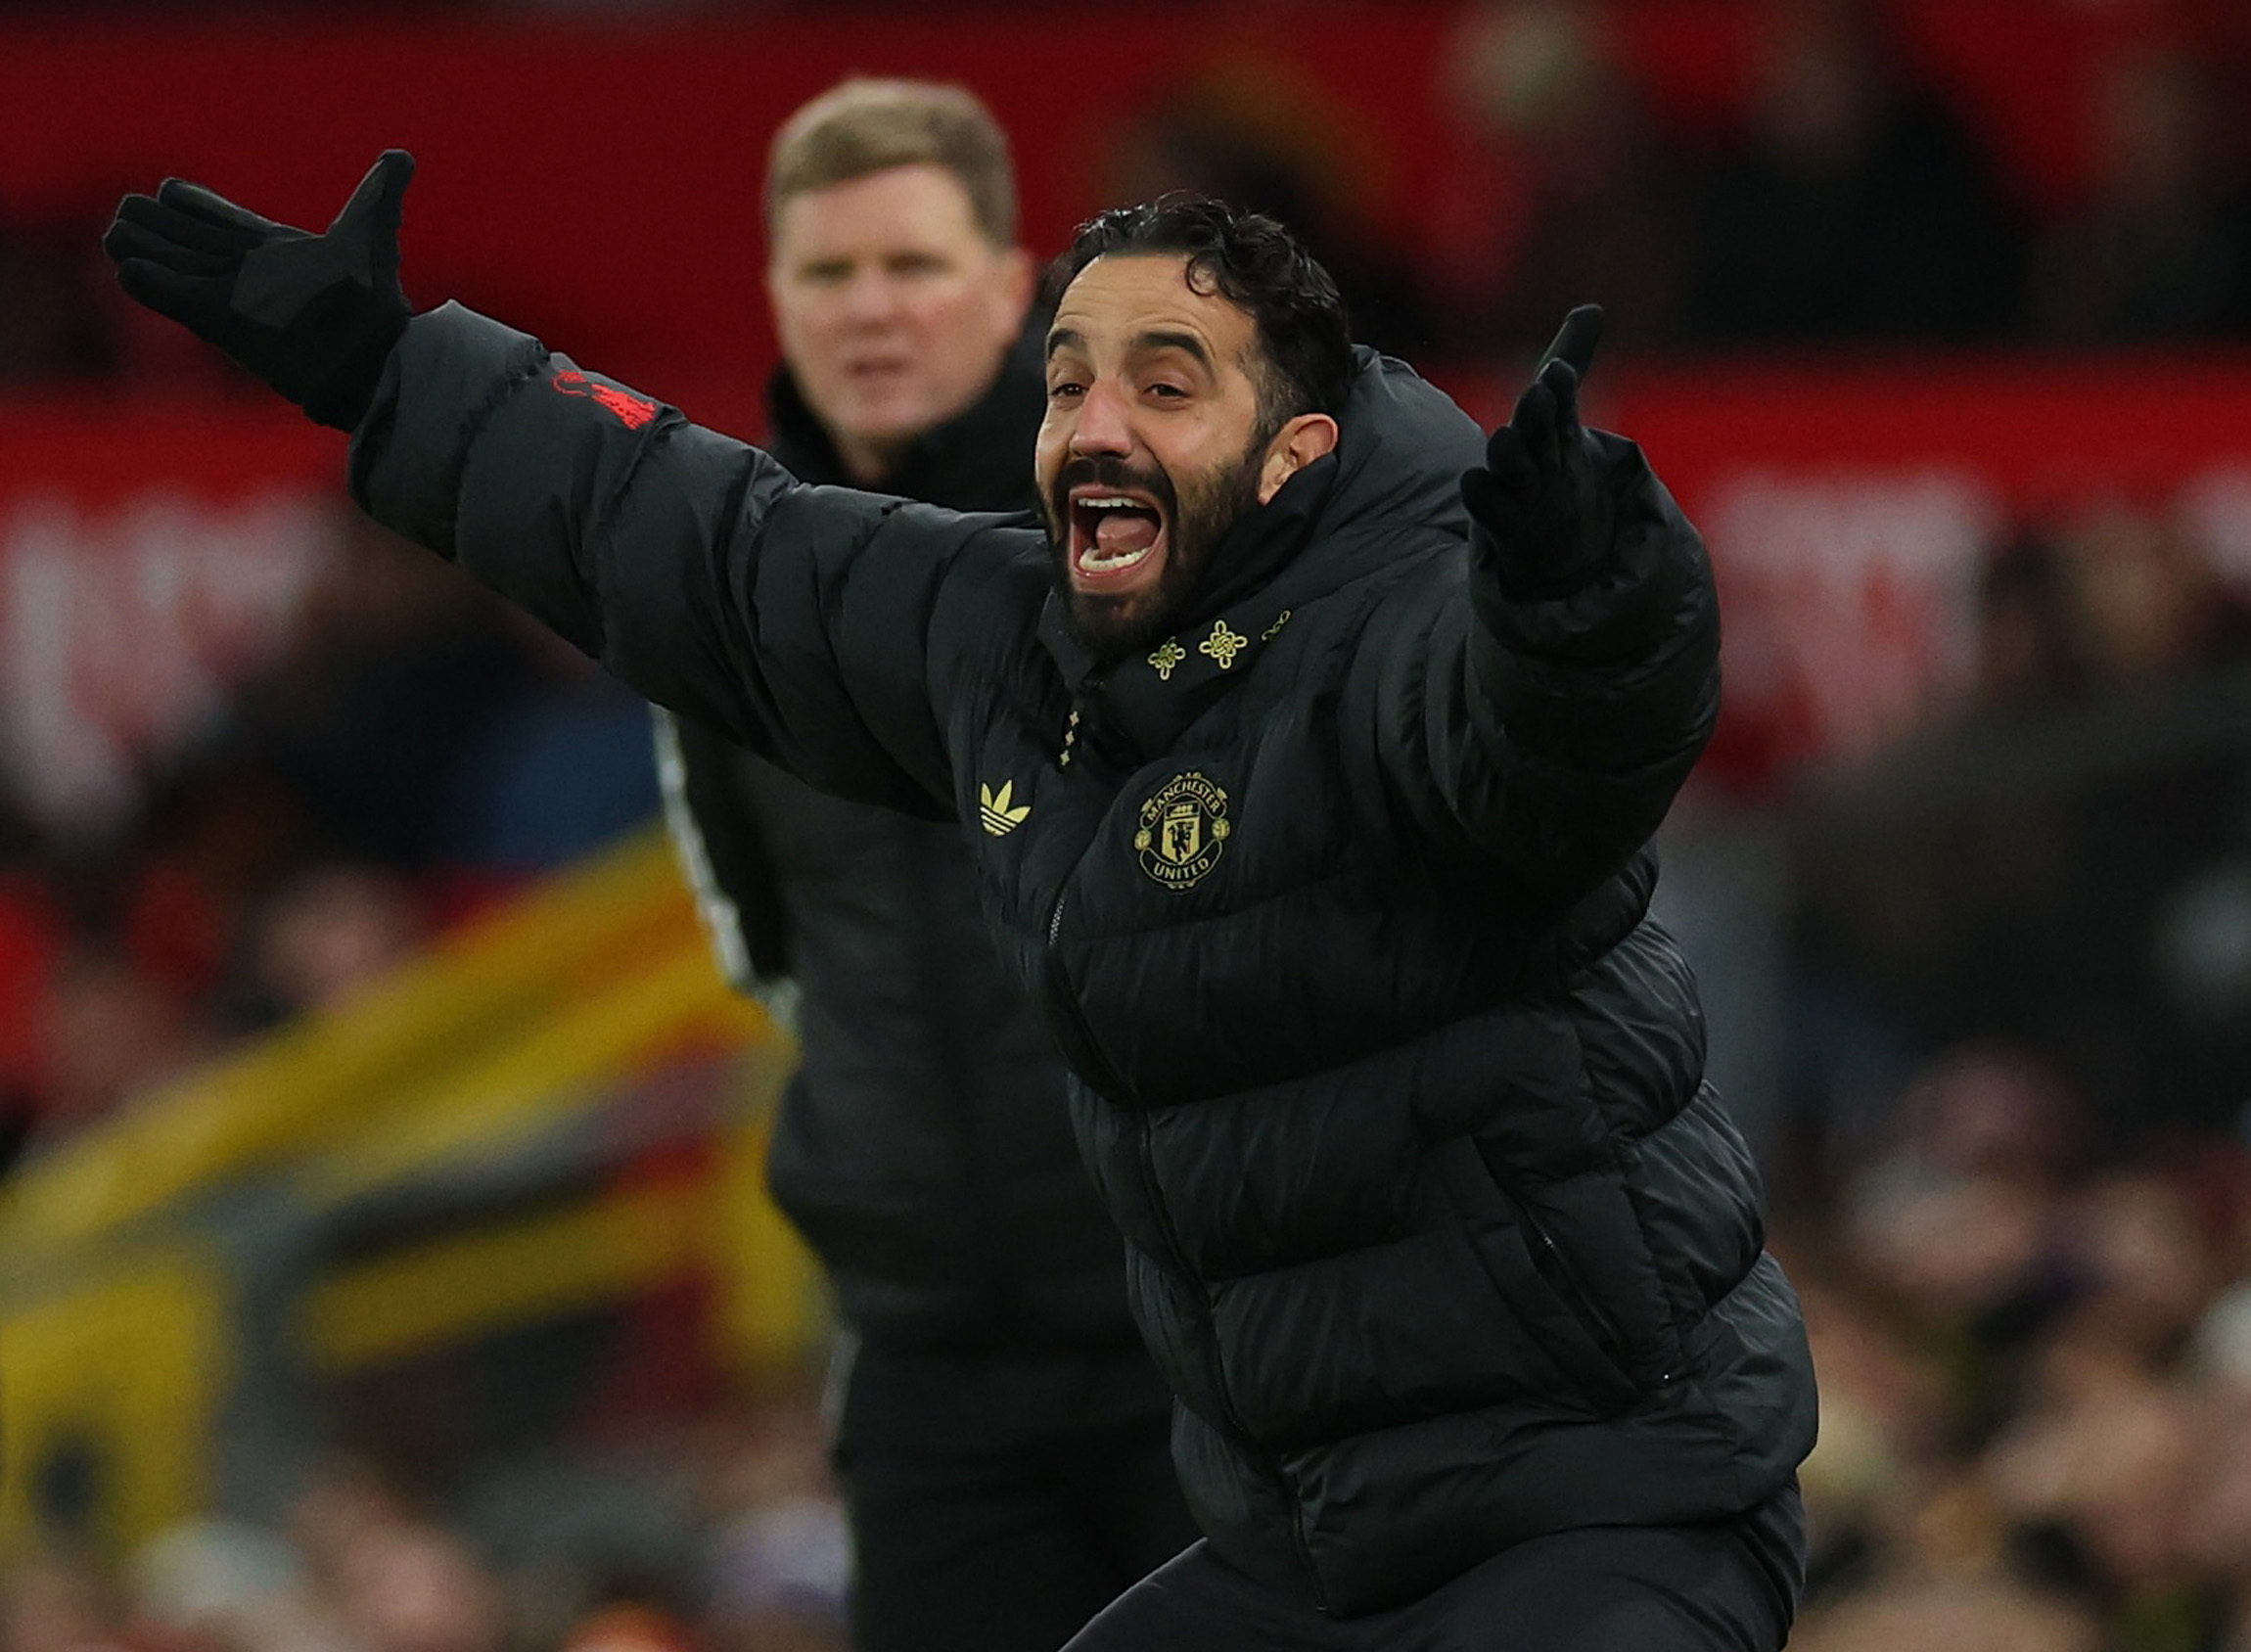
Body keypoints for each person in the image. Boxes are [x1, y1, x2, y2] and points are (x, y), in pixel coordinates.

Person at [105, 148, 1820, 1649]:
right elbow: (705, 535)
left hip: (1607, 1503)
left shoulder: (1412, 630)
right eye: (1069, 379)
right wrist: (390, 372)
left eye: (1166, 383)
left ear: (1294, 454)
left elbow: (1547, 740)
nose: (1092, 427)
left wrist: (1584, 602)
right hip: (1314, 1550)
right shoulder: (999, 634)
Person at [651, 79, 1196, 1652]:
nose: (870, 310)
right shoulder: (722, 599)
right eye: (830, 274)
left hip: (1206, 1334)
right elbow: (765, 944)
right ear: (776, 299)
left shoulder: (1158, 538)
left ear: (1015, 285)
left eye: (911, 266)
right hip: (926, 1370)